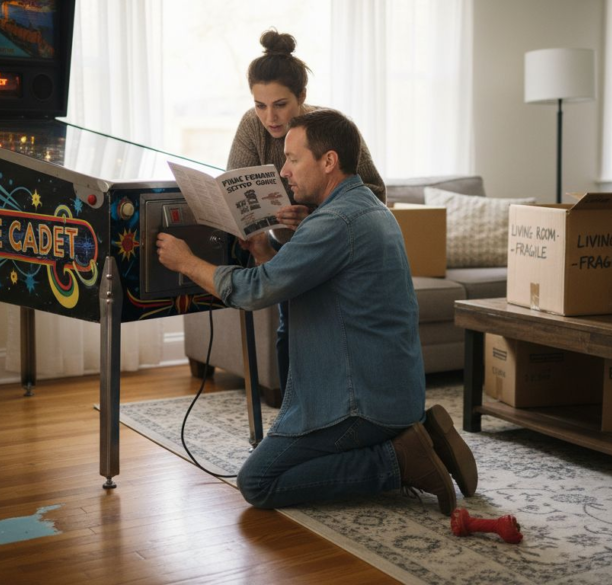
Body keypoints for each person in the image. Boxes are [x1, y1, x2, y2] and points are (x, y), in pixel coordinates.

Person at [156, 109, 477, 515]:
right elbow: (308, 277)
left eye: (293, 159)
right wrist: (266, 250)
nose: (284, 172)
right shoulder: (364, 207)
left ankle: (398, 460)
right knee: (292, 459)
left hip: (363, 405)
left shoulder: (336, 222)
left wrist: (186, 263)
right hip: (391, 394)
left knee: (259, 482)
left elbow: (255, 291)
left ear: (328, 161)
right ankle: (417, 434)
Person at [229, 29, 386, 405]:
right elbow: (234, 186)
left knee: (325, 331)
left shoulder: (331, 130)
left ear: (302, 96)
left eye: (280, 104)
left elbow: (374, 193)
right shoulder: (252, 126)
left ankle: (340, 409)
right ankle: (293, 414)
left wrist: (315, 215)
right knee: (289, 329)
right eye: (260, 105)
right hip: (284, 247)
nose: (269, 117)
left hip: (332, 244)